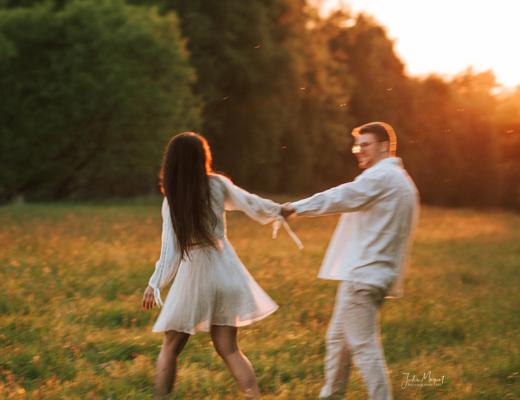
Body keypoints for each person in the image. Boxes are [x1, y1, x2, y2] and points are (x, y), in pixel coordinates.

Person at [141, 132, 301, 399]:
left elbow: (170, 251)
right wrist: (278, 209)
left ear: (172, 164)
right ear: (202, 158)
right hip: (227, 269)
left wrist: (155, 283)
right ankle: (254, 396)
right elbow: (250, 202)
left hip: (196, 274)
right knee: (229, 348)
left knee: (170, 346)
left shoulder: (173, 200)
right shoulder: (217, 185)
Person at [281, 122, 420, 400]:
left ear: (383, 146)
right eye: (357, 146)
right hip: (376, 276)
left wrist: (296, 207)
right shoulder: (402, 181)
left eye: (365, 145)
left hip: (362, 277)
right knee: (337, 341)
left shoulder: (381, 177)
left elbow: (341, 196)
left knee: (363, 346)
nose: (358, 151)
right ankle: (331, 395)